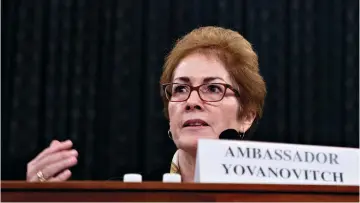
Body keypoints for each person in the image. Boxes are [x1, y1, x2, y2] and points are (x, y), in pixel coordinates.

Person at [26, 26, 266, 182]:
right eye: (180, 89)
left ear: (246, 116)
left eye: (213, 88)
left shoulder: (278, 195)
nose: (192, 101)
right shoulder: (123, 194)